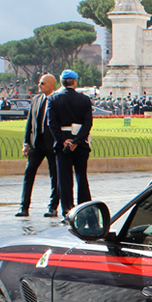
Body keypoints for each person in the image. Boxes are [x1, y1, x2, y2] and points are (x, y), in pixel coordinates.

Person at [47, 69, 93, 216]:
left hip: (63, 143)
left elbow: (52, 123)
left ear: (61, 82)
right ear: (74, 82)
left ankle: (67, 209)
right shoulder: (84, 99)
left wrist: (63, 141)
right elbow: (87, 124)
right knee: (81, 176)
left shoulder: (53, 99)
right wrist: (77, 140)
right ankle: (84, 207)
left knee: (65, 179)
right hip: (80, 142)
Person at [16, 73, 59, 217]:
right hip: (37, 143)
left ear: (51, 85)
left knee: (55, 176)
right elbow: (30, 122)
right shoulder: (36, 100)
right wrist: (26, 143)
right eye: (40, 83)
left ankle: (53, 207)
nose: (39, 85)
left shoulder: (58, 100)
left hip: (53, 143)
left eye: (42, 83)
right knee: (29, 173)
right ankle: (24, 206)